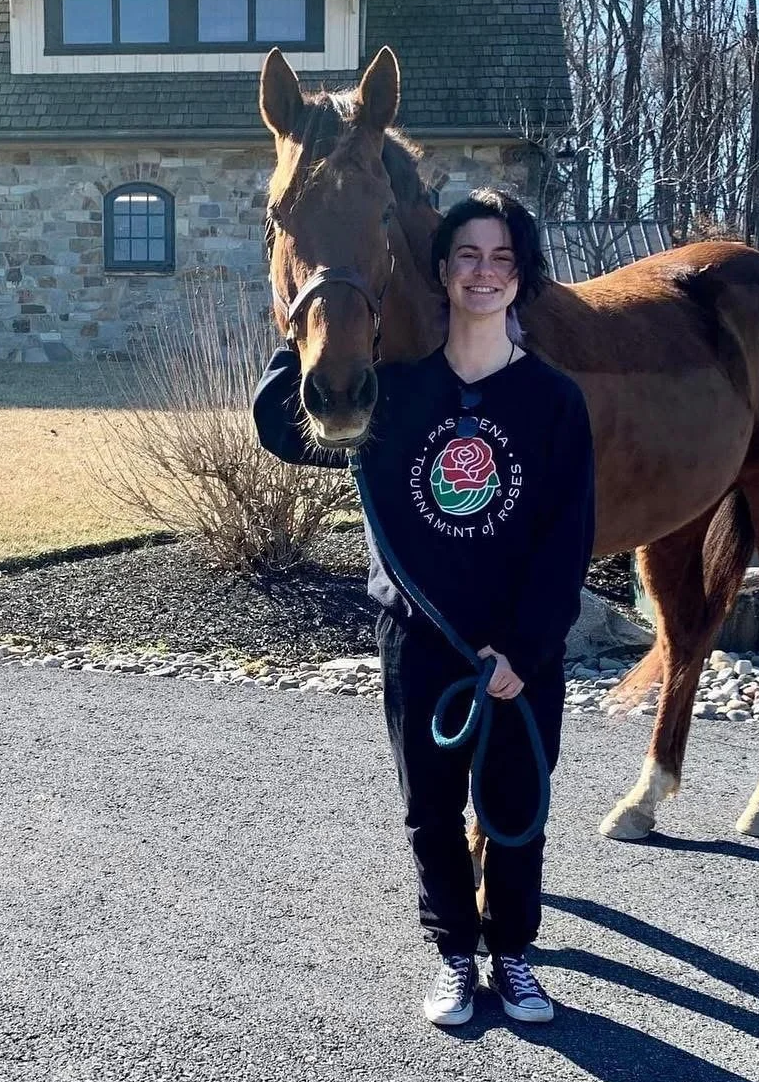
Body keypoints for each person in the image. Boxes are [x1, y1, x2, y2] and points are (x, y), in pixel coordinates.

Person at [253, 188, 595, 1029]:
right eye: (468, 256)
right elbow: (280, 429)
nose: (484, 272)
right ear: (441, 272)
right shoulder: (397, 395)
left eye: (501, 258)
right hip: (421, 643)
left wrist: (525, 648)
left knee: (514, 810)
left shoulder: (554, 401)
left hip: (517, 657)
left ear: (520, 277)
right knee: (431, 810)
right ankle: (453, 954)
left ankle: (513, 956)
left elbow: (567, 539)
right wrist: (296, 306)